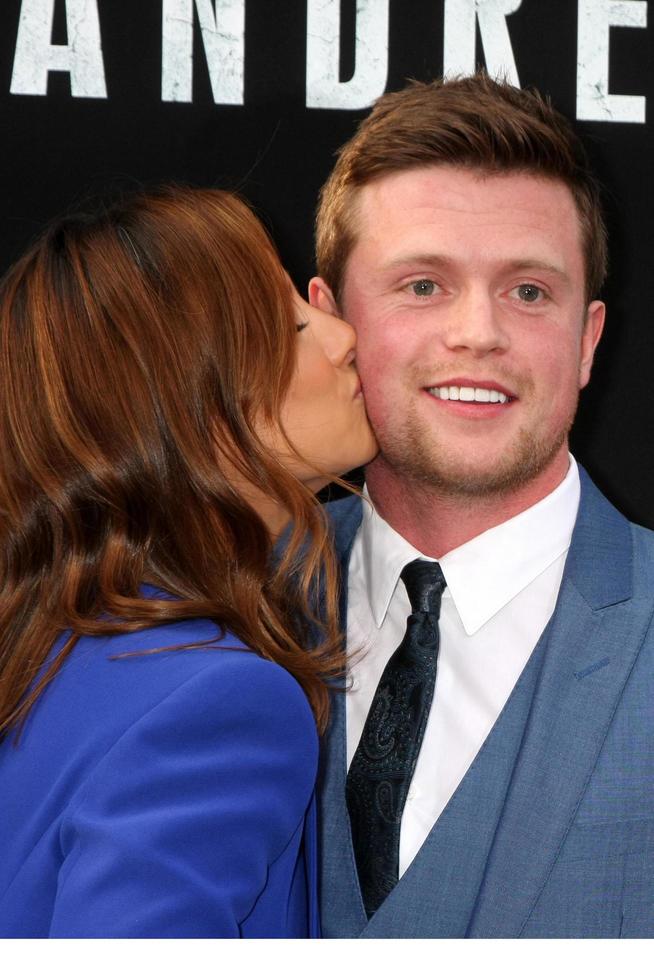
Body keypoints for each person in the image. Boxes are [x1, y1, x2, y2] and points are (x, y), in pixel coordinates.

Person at [310, 73, 654, 938]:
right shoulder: (211, 600)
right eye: (422, 285)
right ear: (332, 324)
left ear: (588, 341)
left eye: (528, 291)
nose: (478, 332)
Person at [0, 187, 377, 938]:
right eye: (291, 325)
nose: (343, 337)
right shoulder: (219, 701)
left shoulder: (50, 647)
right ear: (187, 400)